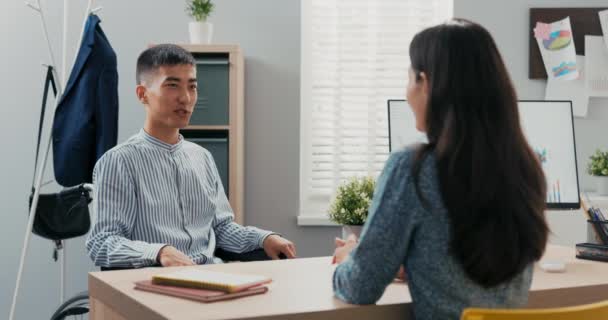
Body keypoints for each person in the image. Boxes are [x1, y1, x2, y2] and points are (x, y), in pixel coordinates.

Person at [332, 19, 548, 320]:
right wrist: (420, 264)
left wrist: (348, 259)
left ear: (426, 82)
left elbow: (360, 286)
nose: (408, 91)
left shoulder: (412, 169)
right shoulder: (526, 168)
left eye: (410, 79)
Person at [86, 44, 296, 268]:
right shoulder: (118, 162)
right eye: (172, 86)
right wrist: (160, 252)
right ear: (143, 94)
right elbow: (102, 242)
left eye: (192, 87)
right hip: (155, 284)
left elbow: (221, 228)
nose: (185, 98)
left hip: (210, 278)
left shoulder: (202, 157)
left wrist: (263, 238)